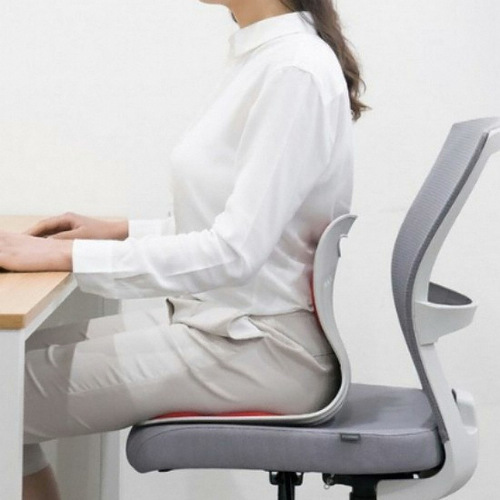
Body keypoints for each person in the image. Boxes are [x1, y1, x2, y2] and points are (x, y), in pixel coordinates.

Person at [0, 0, 367, 498]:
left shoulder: (293, 71)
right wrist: (119, 232)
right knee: (8, 366)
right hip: (224, 327)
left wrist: (65, 256)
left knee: (4, 392)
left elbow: (234, 252)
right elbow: (234, 227)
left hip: (260, 350)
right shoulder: (266, 57)